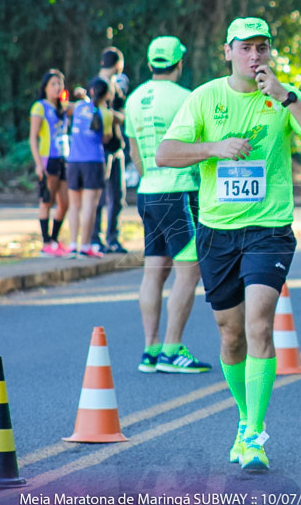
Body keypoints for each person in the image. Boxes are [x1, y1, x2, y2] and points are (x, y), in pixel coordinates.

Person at [155, 17, 301, 472]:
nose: (255, 55)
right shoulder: (206, 98)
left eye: (262, 47)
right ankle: (243, 418)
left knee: (259, 324)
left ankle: (255, 435)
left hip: (269, 227)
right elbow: (165, 154)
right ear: (227, 51)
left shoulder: (284, 96)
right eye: (245, 47)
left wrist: (287, 98)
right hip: (217, 229)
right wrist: (214, 148)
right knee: (231, 334)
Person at [125, 35, 211, 375]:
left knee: (153, 272)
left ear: (150, 64)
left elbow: (135, 154)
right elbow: (199, 148)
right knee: (189, 271)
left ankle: (151, 350)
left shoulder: (133, 100)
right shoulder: (187, 98)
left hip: (147, 192)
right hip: (178, 191)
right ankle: (173, 350)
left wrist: (153, 179)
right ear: (179, 63)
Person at [65, 78, 113, 259]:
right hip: (93, 162)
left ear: (91, 91)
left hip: (73, 161)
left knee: (74, 206)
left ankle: (72, 245)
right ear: (107, 94)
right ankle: (85, 246)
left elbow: (68, 105)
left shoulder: (78, 107)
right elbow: (106, 138)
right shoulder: (106, 114)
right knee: (89, 206)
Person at [89, 47, 129, 254]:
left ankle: (113, 239)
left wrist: (110, 114)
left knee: (118, 195)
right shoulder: (97, 85)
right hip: (98, 150)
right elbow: (94, 115)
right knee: (99, 197)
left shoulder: (116, 87)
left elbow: (122, 115)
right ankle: (96, 238)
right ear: (118, 64)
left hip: (116, 147)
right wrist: (112, 115)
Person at [29, 69, 71, 257]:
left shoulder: (62, 107)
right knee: (47, 200)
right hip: (48, 159)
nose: (57, 87)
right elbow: (33, 138)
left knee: (64, 202)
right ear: (45, 87)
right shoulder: (40, 107)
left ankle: (54, 239)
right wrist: (38, 163)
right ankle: (45, 243)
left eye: (60, 84)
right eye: (53, 84)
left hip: (63, 159)